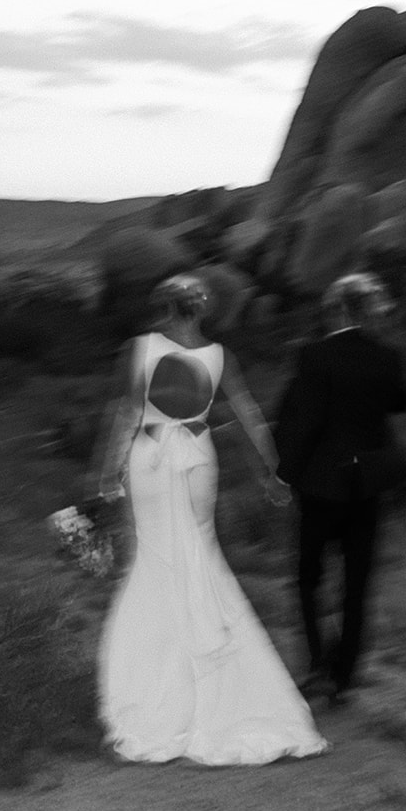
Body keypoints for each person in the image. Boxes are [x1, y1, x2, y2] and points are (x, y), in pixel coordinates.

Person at [92, 273, 327, 765]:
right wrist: (274, 472)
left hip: (151, 459)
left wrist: (107, 474)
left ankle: (156, 689)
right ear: (203, 309)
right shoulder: (221, 356)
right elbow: (250, 415)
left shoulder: (140, 348)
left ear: (164, 306)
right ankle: (220, 674)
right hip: (198, 458)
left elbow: (126, 412)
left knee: (154, 559)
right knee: (202, 553)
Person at [273, 272, 406, 709]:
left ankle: (318, 663)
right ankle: (344, 678)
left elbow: (303, 420)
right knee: (357, 584)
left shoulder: (314, 355)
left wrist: (282, 474)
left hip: (321, 485)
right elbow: (402, 402)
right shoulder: (389, 356)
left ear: (337, 309)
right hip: (367, 485)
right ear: (369, 310)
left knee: (308, 578)